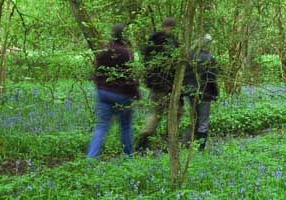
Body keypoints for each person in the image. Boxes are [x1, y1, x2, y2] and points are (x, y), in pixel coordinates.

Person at [87, 23, 140, 158]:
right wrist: (136, 93)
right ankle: (129, 158)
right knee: (126, 126)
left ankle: (91, 158)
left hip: (104, 93)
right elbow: (130, 76)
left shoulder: (104, 49)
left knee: (101, 127)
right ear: (124, 36)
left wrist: (99, 87)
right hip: (122, 94)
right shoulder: (127, 53)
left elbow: (97, 72)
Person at [136, 18, 180, 151]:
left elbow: (146, 62)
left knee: (158, 113)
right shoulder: (168, 43)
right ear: (170, 27)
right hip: (166, 84)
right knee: (174, 113)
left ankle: (144, 141)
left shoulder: (152, 40)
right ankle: (166, 142)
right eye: (172, 27)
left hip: (157, 84)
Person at [183, 34, 220, 151]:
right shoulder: (210, 58)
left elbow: (185, 76)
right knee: (203, 120)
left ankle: (187, 144)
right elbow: (212, 79)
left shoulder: (189, 56)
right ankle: (200, 148)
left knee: (194, 118)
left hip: (191, 93)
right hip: (205, 93)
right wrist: (215, 94)